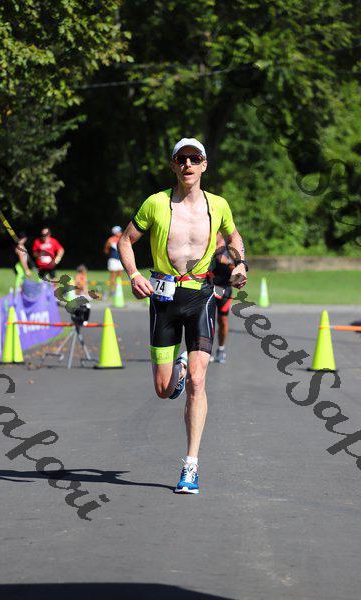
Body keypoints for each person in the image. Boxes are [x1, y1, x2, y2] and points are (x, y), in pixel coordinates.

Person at [118, 137, 248, 494]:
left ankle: (190, 465)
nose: (188, 165)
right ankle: (176, 366)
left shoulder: (218, 205)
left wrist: (240, 264)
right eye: (182, 159)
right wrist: (134, 275)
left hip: (201, 296)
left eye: (195, 159)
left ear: (204, 164)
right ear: (173, 165)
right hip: (163, 299)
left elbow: (234, 237)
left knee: (198, 380)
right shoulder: (156, 203)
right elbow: (125, 241)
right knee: (164, 390)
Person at [210, 232, 236, 364]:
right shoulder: (206, 248)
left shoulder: (229, 250)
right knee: (206, 320)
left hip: (225, 289)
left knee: (222, 320)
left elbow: (237, 269)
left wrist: (232, 265)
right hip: (209, 288)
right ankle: (205, 350)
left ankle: (221, 349)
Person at [104, 226, 124, 295]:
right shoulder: (110, 240)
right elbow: (106, 250)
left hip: (120, 260)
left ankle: (119, 290)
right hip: (113, 260)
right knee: (113, 276)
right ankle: (112, 290)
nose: (121, 233)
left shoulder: (122, 239)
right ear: (115, 232)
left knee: (120, 276)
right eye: (119, 231)